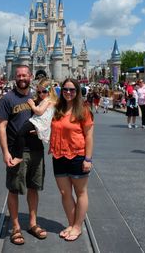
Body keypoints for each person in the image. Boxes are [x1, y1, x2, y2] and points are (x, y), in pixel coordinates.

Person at [0, 65, 47, 245]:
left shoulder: (38, 95)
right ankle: (16, 227)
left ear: (31, 76)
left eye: (25, 75)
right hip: (17, 152)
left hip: (36, 150)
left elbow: (48, 117)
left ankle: (33, 223)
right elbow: (1, 126)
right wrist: (5, 152)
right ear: (15, 77)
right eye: (19, 75)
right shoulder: (7, 99)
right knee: (14, 188)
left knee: (34, 187)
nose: (22, 78)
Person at [49, 78, 94, 241]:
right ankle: (71, 223)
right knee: (64, 193)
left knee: (80, 192)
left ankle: (77, 226)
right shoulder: (57, 109)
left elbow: (89, 136)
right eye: (65, 89)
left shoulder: (83, 110)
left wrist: (88, 159)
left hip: (77, 155)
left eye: (72, 90)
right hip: (59, 155)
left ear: (78, 91)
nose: (68, 92)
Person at [12, 78, 57, 166]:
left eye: (44, 91)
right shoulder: (51, 100)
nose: (41, 94)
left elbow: (39, 111)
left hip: (38, 122)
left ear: (49, 91)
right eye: (39, 92)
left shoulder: (47, 100)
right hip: (42, 123)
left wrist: (32, 105)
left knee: (20, 133)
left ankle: (18, 156)